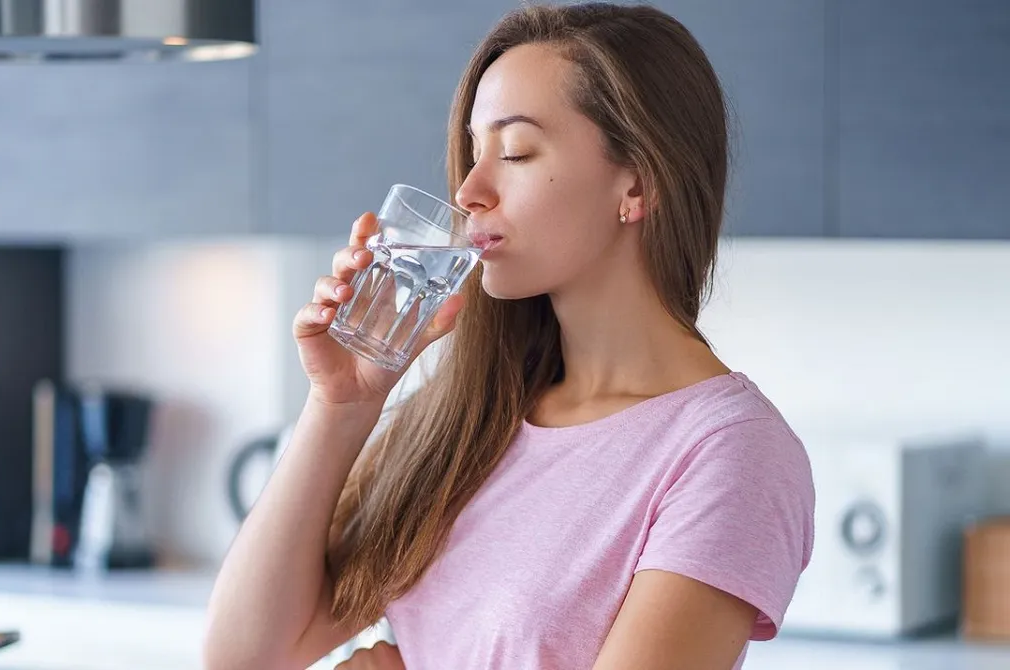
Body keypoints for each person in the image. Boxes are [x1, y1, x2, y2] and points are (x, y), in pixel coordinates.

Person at [203, 3, 815, 669]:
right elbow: (243, 657)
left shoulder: (729, 453)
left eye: (516, 151)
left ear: (637, 183)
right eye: (473, 151)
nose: (469, 190)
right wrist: (341, 406)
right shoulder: (469, 419)